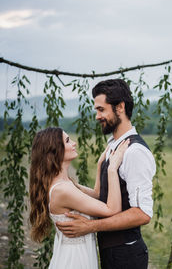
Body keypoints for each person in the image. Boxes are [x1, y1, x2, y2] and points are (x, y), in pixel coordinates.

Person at [56, 79, 156, 269]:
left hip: (126, 254)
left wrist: (90, 226)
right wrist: (67, 184)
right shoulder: (113, 145)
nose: (97, 116)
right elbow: (100, 195)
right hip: (110, 251)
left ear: (120, 107)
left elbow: (142, 214)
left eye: (101, 109)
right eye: (96, 110)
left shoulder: (134, 152)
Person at [29, 126, 129, 269]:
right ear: (55, 150)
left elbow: (97, 195)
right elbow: (112, 210)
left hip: (78, 252)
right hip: (74, 259)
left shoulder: (64, 183)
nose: (74, 143)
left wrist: (101, 164)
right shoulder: (63, 190)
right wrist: (112, 169)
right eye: (68, 141)